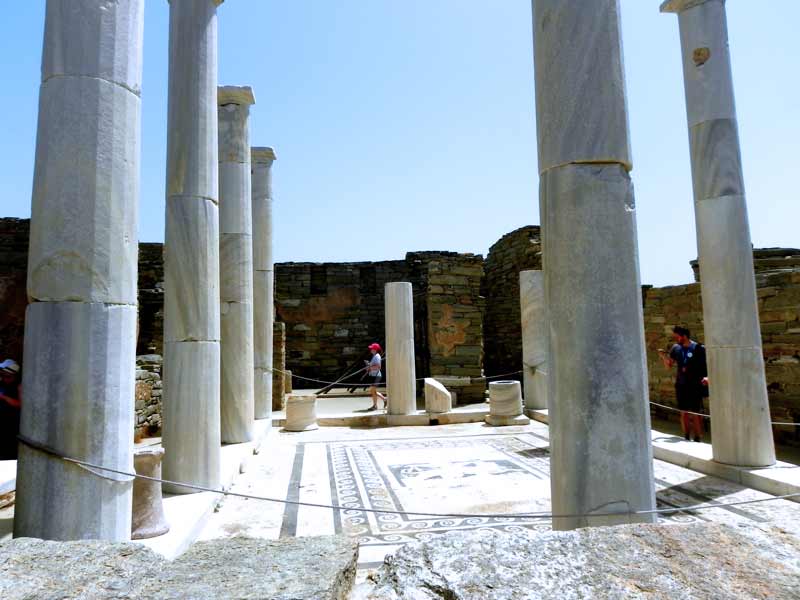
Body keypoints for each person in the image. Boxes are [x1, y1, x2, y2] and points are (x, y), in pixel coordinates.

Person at [658, 326, 708, 442]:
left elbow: (706, 366)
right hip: (681, 384)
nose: (676, 339)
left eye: (677, 336)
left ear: (684, 336)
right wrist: (663, 357)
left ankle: (697, 438)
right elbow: (669, 366)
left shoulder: (699, 348)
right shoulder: (676, 348)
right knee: (683, 411)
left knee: (696, 412)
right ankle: (686, 437)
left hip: (695, 384)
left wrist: (706, 378)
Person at [0, 359, 22, 460]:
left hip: (11, 425)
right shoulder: (2, 383)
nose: (3, 376)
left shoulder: (18, 386)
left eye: (5, 375)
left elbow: (20, 404)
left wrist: (3, 397)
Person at [365, 343, 386, 411]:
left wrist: (369, 367)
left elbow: (378, 367)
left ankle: (375, 406)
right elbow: (373, 366)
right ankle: (384, 399)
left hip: (376, 376)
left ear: (375, 349)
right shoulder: (374, 356)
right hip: (373, 375)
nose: (370, 349)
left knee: (372, 390)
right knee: (373, 390)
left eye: (372, 348)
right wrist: (368, 365)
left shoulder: (377, 356)